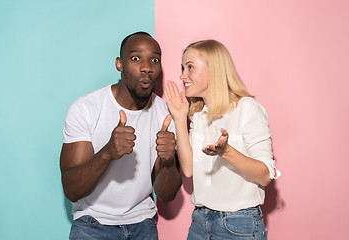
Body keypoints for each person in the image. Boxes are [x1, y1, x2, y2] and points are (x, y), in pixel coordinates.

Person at [60, 31, 182, 240]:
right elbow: (72, 189)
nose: (146, 67)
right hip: (93, 225)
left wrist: (169, 161)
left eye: (154, 59)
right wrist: (108, 152)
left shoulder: (167, 115)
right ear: (119, 64)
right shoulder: (86, 108)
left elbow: (166, 194)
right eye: (136, 58)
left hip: (143, 224)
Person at [165, 39, 281, 240]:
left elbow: (265, 175)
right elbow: (188, 169)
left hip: (239, 224)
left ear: (214, 69)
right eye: (182, 68)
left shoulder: (247, 109)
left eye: (190, 67)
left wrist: (227, 152)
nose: (182, 75)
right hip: (200, 222)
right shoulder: (200, 115)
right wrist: (179, 116)